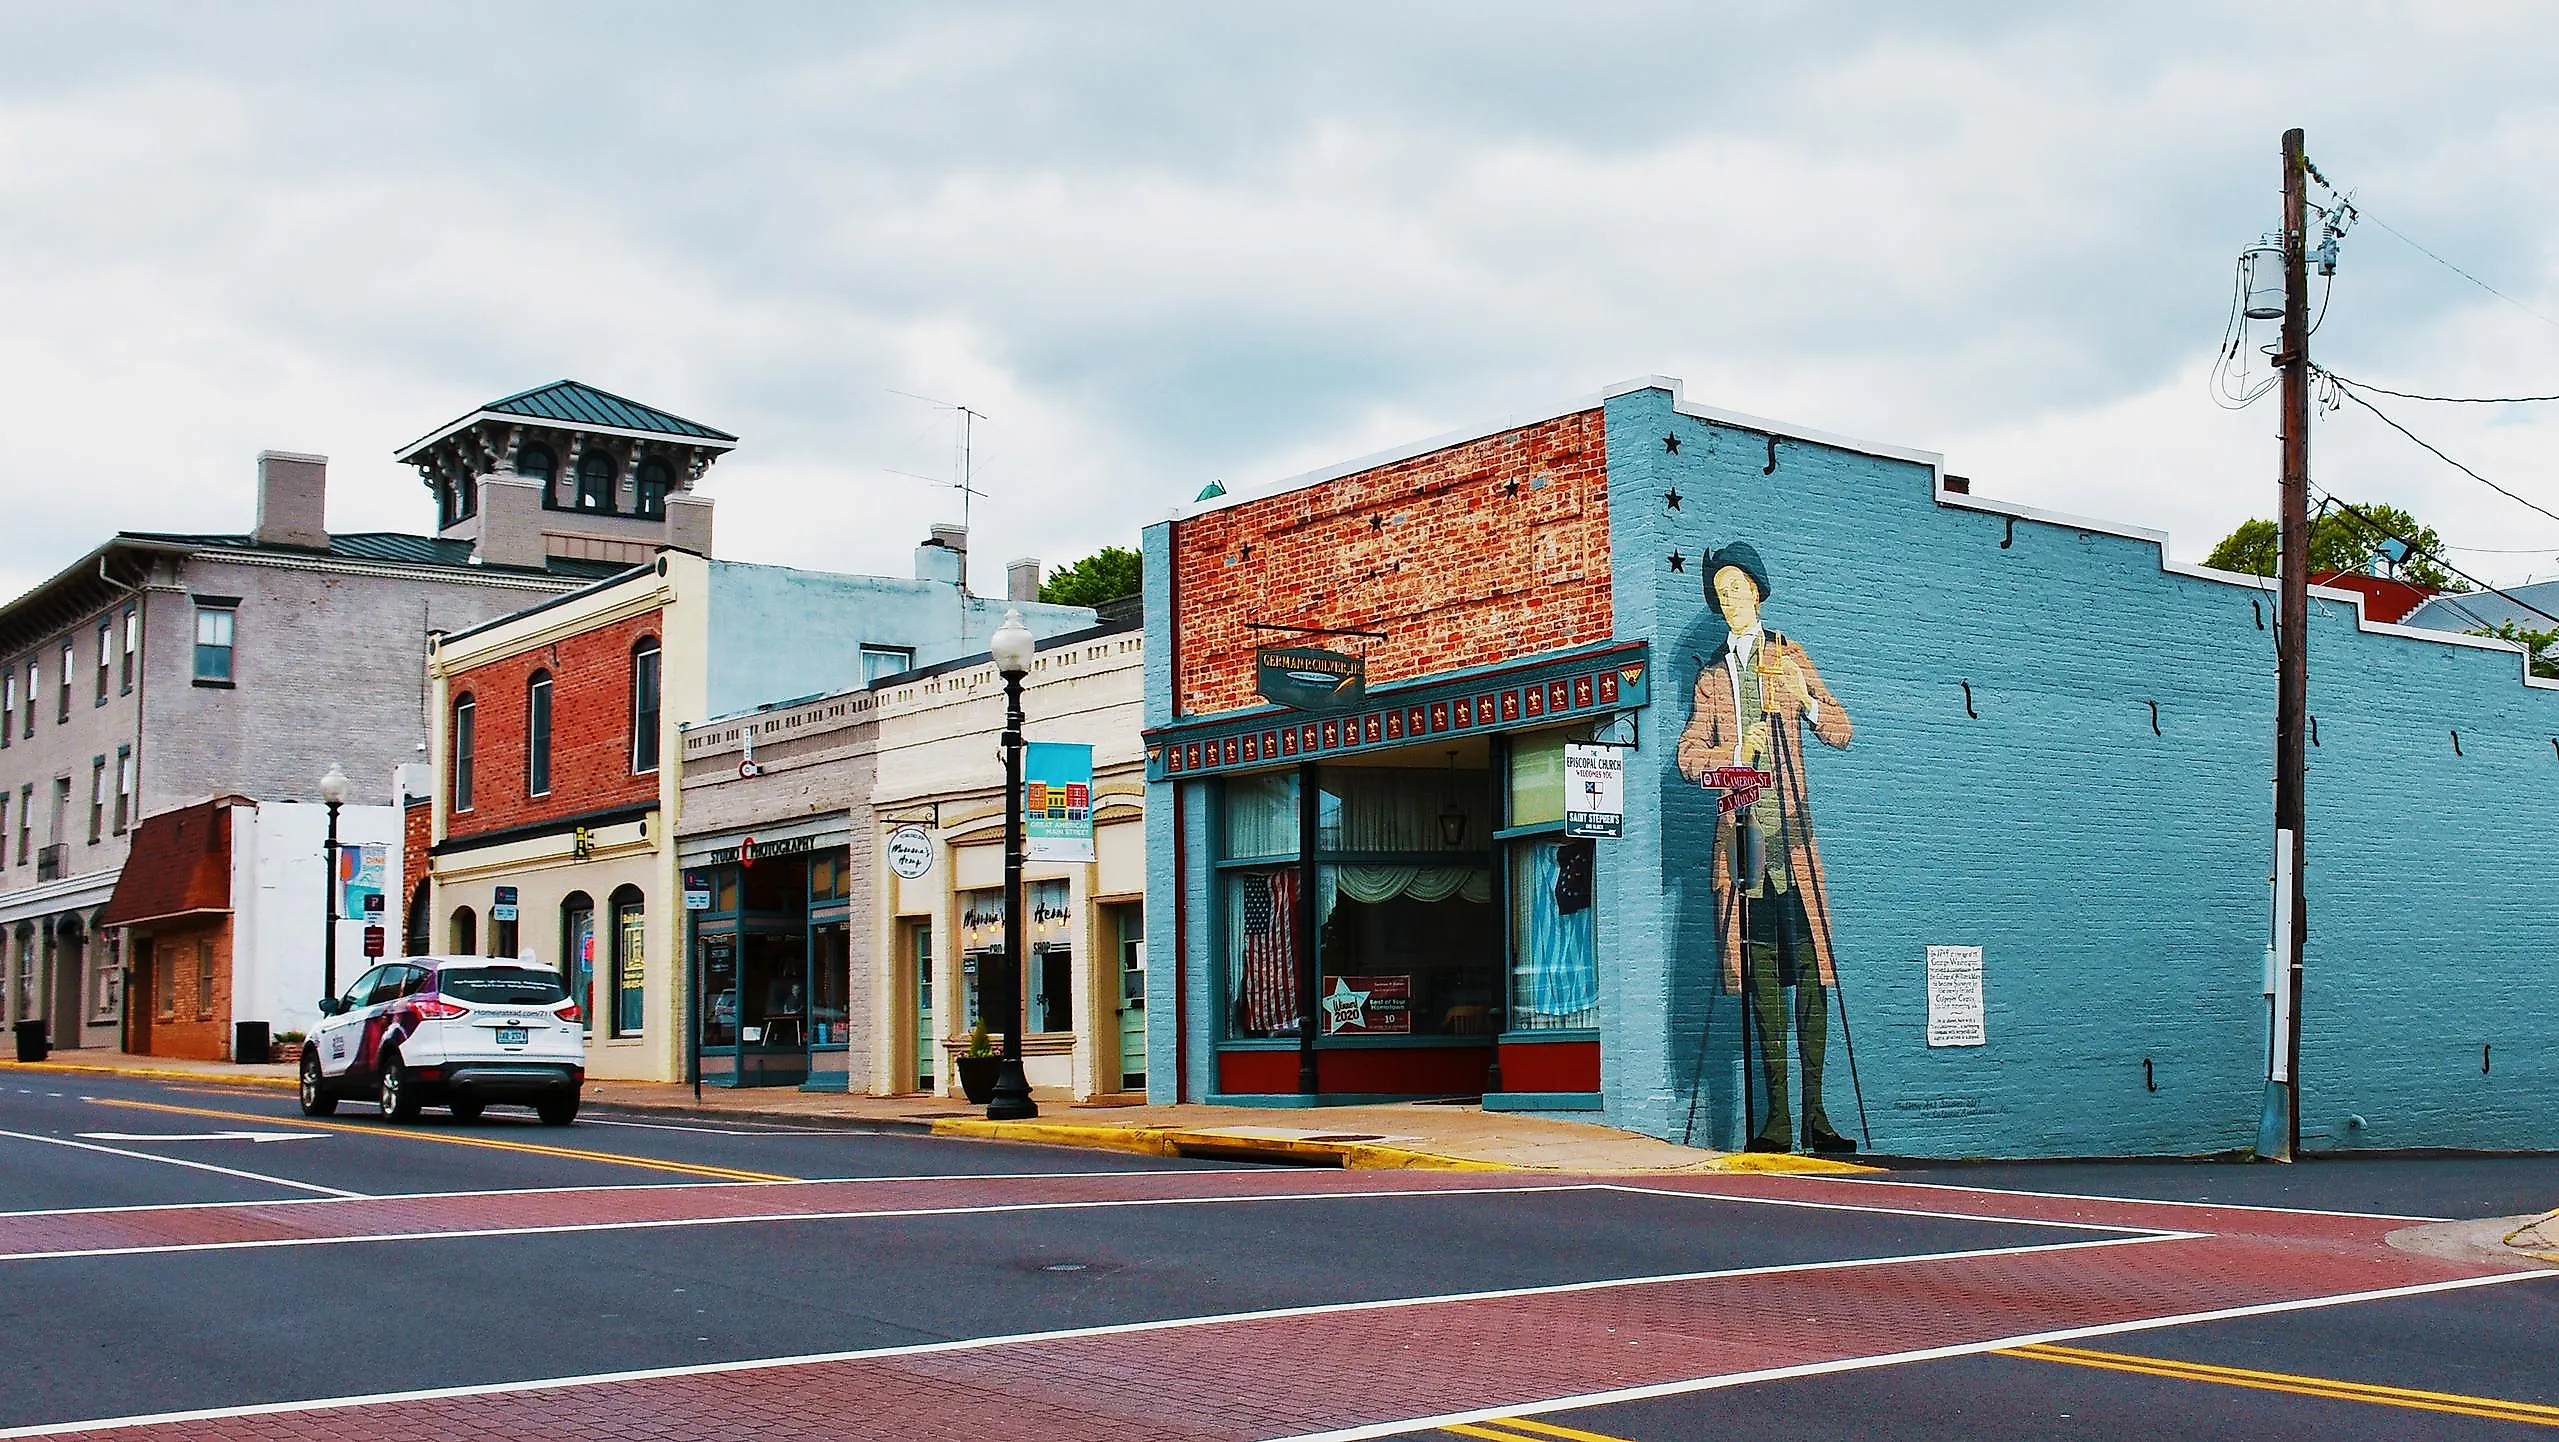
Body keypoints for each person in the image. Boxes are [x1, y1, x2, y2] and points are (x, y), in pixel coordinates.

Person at [1673, 542, 1858, 1153]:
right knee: (1762, 978)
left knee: (1812, 976)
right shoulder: (1712, 679)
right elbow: (1688, 758)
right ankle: (1777, 1117)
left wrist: (1804, 700)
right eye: (1719, 593)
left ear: (1758, 590)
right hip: (1745, 846)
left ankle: (1816, 1115)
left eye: (1737, 588)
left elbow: (1840, 730)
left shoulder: (1787, 653)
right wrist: (1736, 758)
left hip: (1794, 847)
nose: (1729, 600)